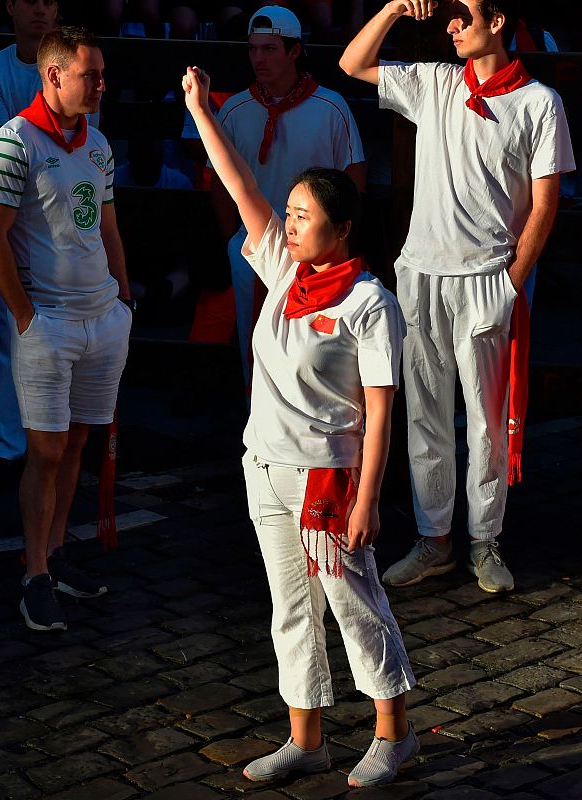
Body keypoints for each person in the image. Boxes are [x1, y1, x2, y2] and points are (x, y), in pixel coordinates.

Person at [183, 64, 417, 788]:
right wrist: (200, 109)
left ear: (341, 228)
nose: (287, 224)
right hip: (264, 464)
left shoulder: (369, 303)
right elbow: (238, 183)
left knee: (352, 603)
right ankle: (305, 738)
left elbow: (381, 410)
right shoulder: (283, 269)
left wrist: (369, 497)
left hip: (327, 473)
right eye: (286, 213)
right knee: (290, 610)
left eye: (302, 215)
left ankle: (393, 732)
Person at [340, 0, 575, 592]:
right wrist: (395, 6)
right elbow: (353, 62)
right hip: (421, 273)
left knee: (487, 422)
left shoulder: (538, 101)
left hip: (488, 278)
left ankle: (484, 540)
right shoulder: (437, 81)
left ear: (497, 22)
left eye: (461, 15)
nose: (449, 25)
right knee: (425, 415)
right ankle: (434, 539)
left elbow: (546, 205)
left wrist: (511, 282)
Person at [0, 26, 133, 631]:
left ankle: (58, 554)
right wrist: (24, 315)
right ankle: (34, 572)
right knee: (44, 450)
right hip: (48, 322)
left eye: (101, 74)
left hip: (101, 317)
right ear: (53, 75)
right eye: (89, 75)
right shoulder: (12, 143)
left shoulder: (98, 143)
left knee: (75, 444)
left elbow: (109, 228)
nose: (100, 85)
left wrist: (123, 299)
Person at [0, 0, 94, 468]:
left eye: (48, 1)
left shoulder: (79, 68)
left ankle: (60, 442)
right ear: (10, 8)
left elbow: (81, 144)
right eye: (29, 1)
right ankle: (8, 447)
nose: (39, 10)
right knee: (10, 332)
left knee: (71, 339)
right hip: (12, 223)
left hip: (66, 228)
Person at [212, 5, 366, 396]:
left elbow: (355, 178)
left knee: (311, 345)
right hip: (253, 246)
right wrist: (233, 238)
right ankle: (256, 418)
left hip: (317, 252)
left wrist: (337, 245)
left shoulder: (331, 107)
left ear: (294, 51)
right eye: (253, 49)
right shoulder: (234, 110)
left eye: (269, 49)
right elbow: (218, 180)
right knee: (252, 339)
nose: (259, 59)